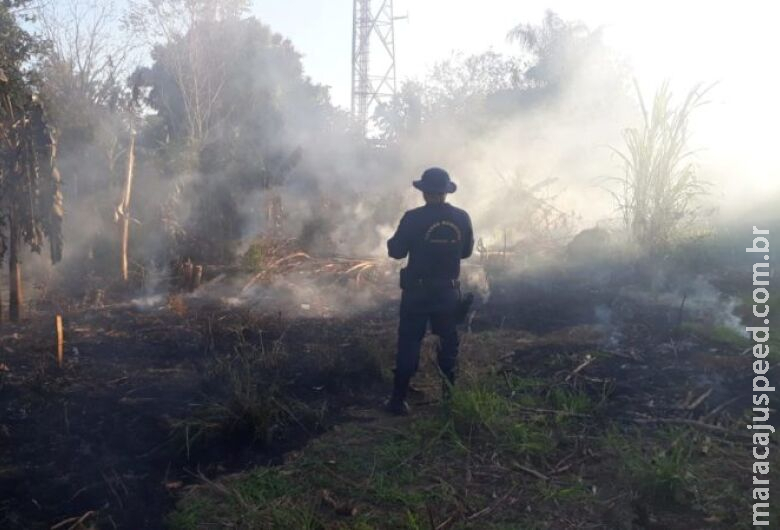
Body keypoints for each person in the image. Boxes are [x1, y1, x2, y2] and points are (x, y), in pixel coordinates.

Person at [385, 167, 474, 415]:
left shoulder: (413, 218)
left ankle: (397, 400)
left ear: (424, 192)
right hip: (447, 293)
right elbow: (465, 252)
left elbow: (396, 252)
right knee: (448, 344)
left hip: (417, 293)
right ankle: (449, 400)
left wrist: (394, 242)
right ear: (446, 192)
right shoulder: (462, 218)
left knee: (409, 343)